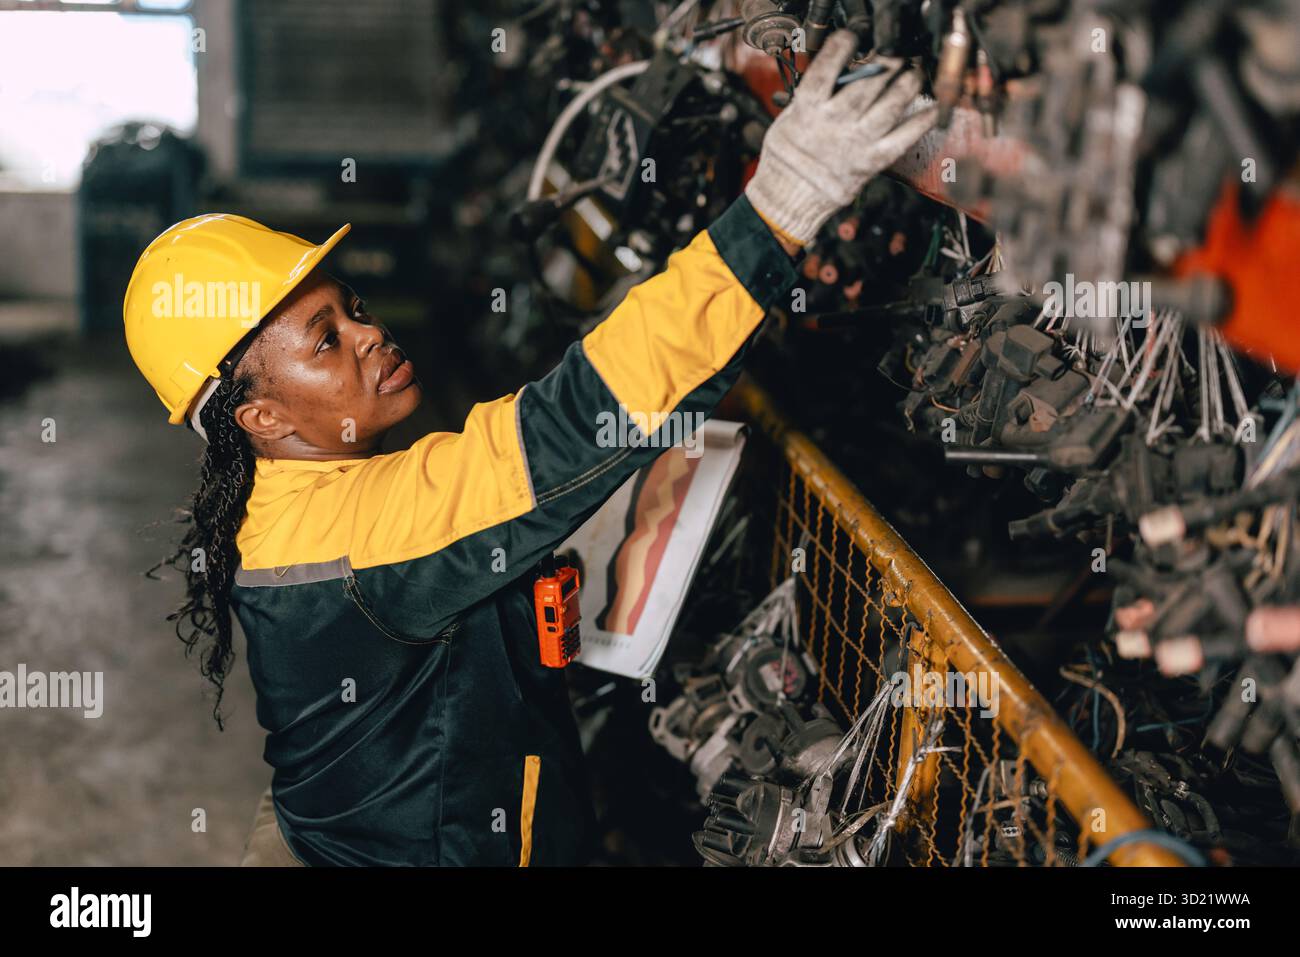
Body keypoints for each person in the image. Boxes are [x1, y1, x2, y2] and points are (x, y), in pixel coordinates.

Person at [122, 31, 936, 866]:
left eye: (354, 306)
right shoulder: (369, 526)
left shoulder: (278, 504)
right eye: (327, 341)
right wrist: (780, 208)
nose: (370, 334)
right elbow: (570, 419)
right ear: (258, 418)